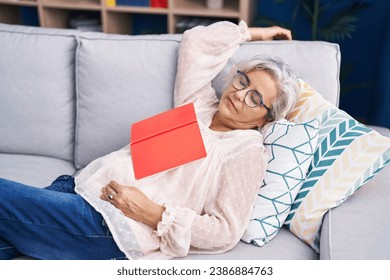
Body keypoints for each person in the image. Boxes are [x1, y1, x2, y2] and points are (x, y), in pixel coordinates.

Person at [0, 21, 298, 260]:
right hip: (80, 188)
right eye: (242, 81)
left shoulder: (245, 152)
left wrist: (152, 213)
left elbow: (225, 231)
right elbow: (196, 43)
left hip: (111, 226)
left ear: (265, 119)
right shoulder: (198, 105)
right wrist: (253, 32)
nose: (240, 94)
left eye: (255, 98)